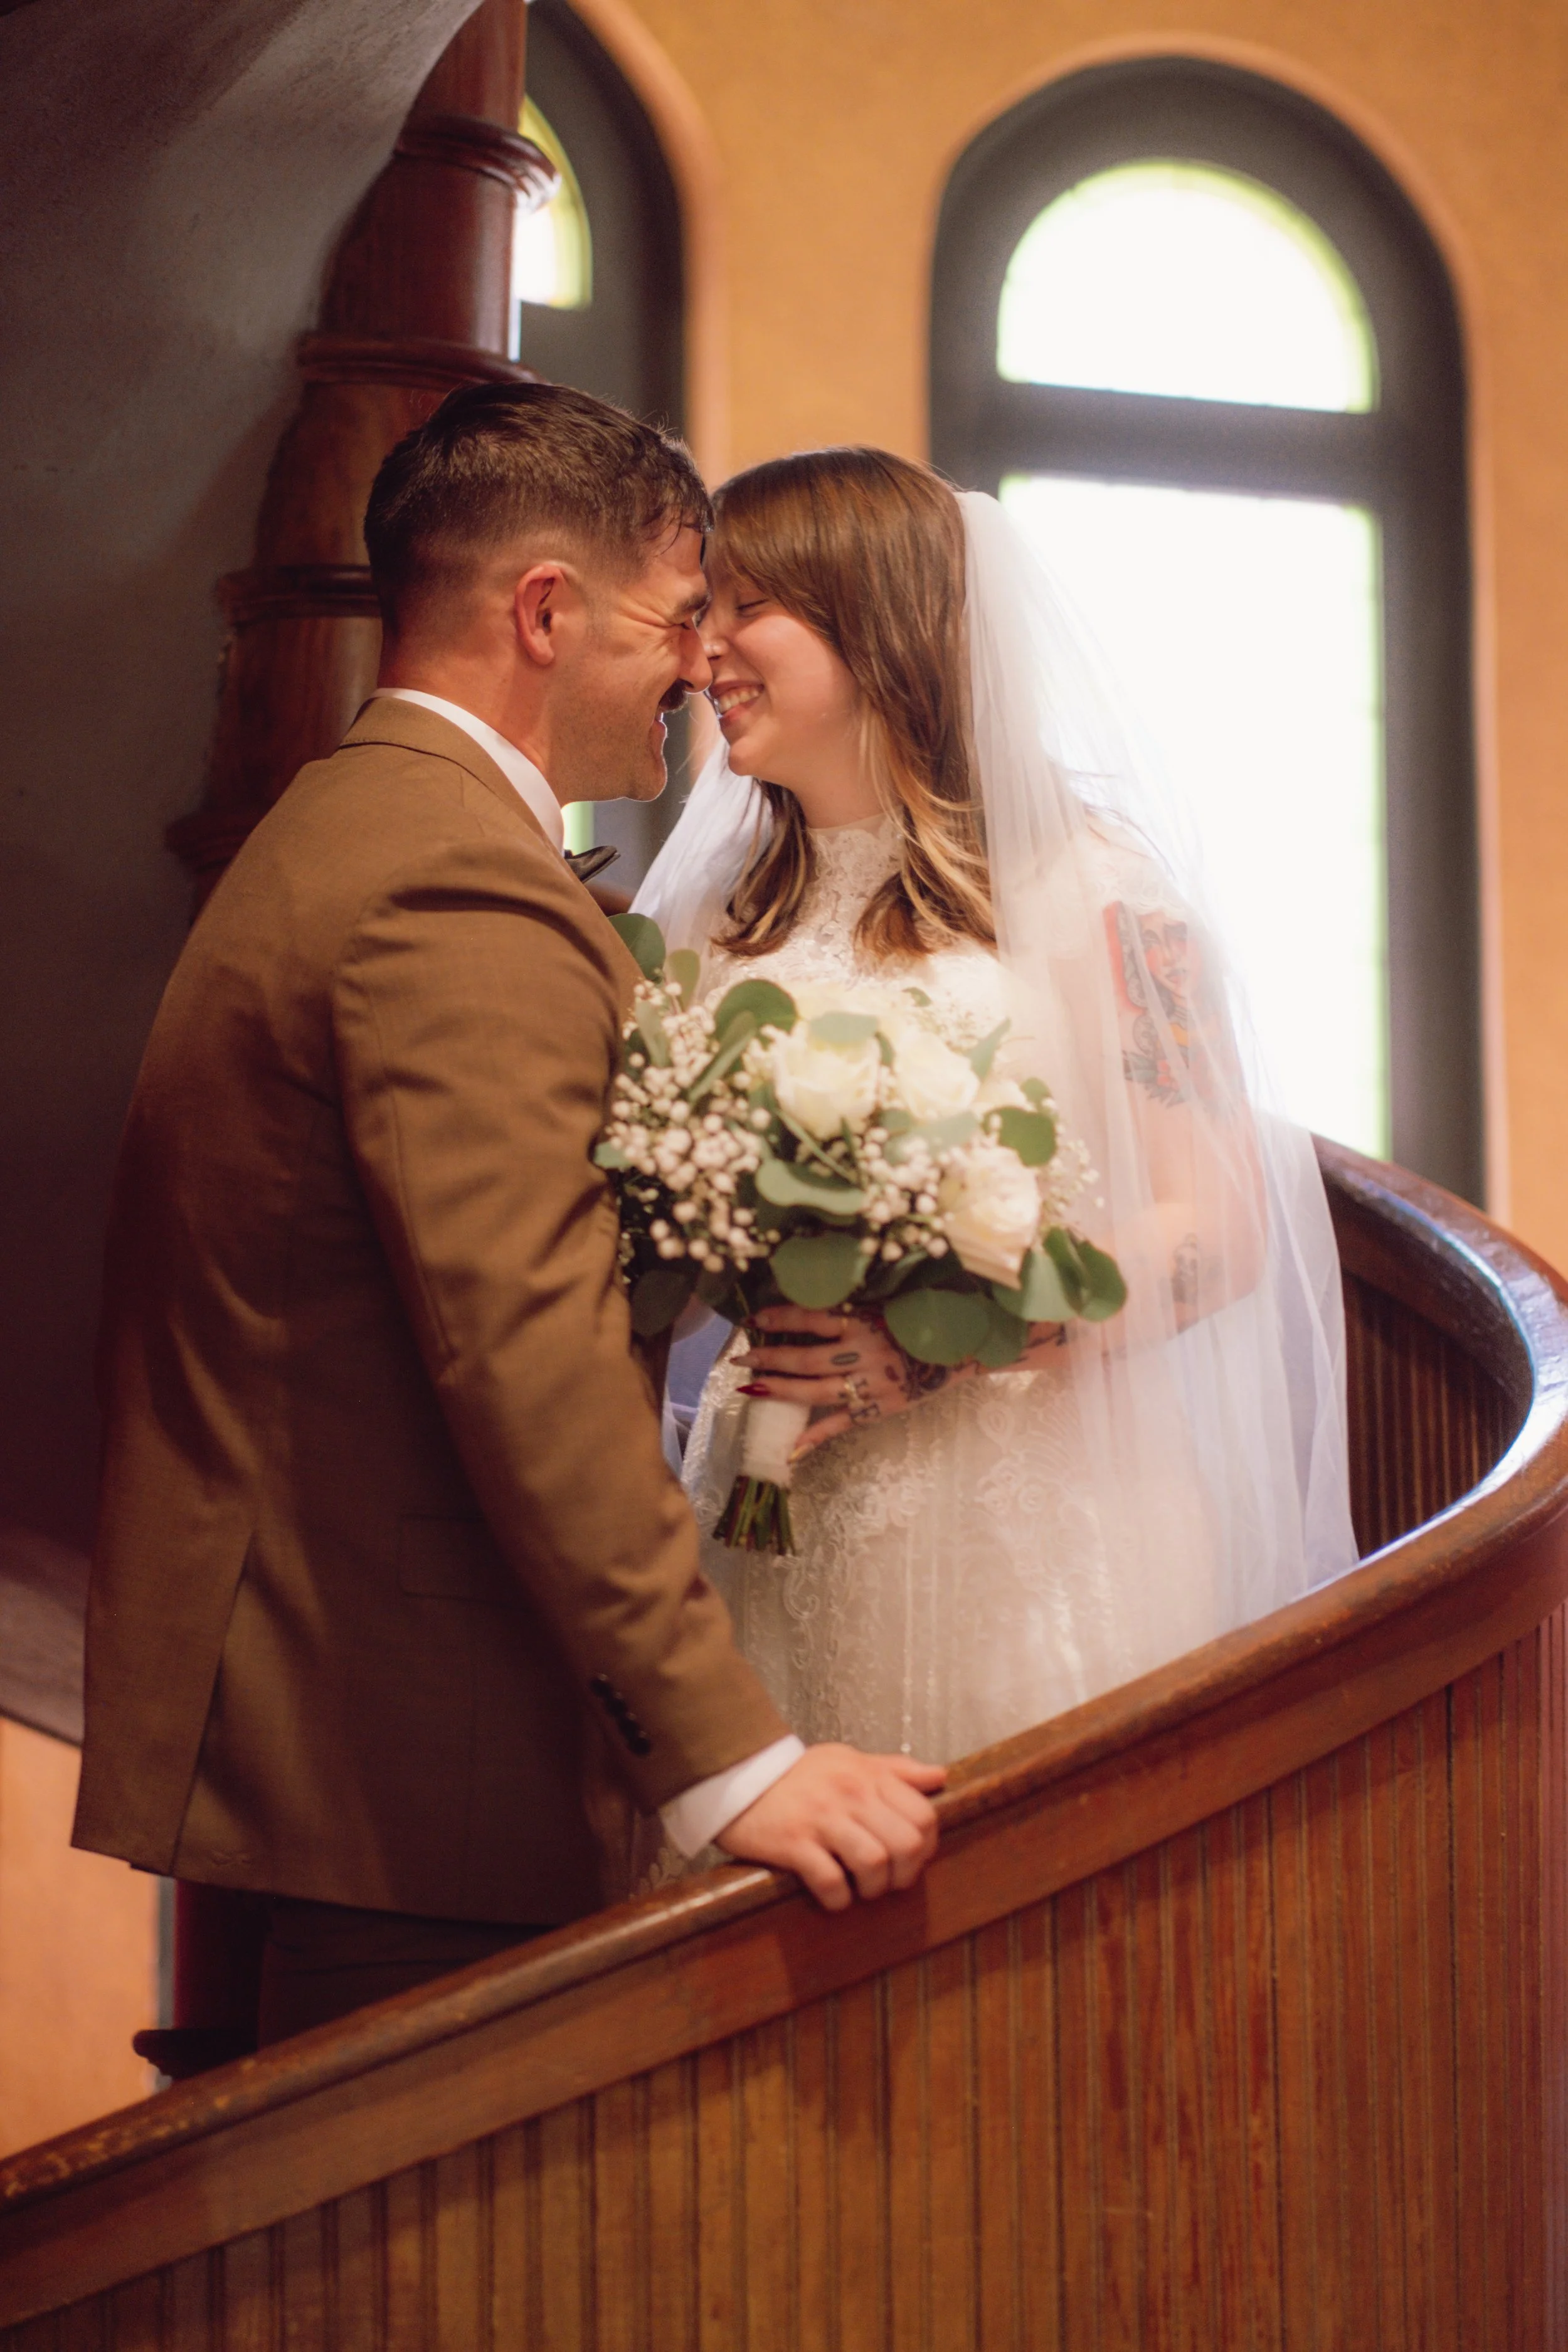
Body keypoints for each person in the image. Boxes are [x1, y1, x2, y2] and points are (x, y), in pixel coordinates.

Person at [72, 388, 945, 2046]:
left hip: (344, 1734)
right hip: (410, 1751)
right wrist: (728, 1758)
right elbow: (523, 1351)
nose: (699, 663)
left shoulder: (361, 822)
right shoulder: (448, 880)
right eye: (680, 616)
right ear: (543, 611)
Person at [636, 447, 1357, 1774]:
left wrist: (935, 1345)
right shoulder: (716, 919)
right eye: (701, 612)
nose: (705, 652)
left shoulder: (1099, 892)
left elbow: (1222, 1232)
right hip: (766, 1488)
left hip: (1025, 1522)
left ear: (876, 621)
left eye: (747, 608)